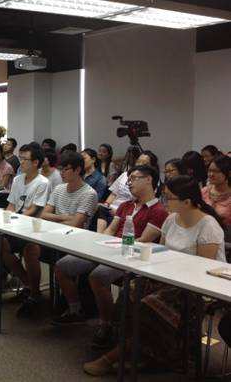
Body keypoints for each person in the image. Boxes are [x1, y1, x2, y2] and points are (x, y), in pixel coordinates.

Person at [84, 175, 225, 376]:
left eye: (169, 198)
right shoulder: (171, 219)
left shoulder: (207, 226)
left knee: (150, 306)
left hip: (195, 287)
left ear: (187, 202)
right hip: (168, 277)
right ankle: (138, 350)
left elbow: (202, 269)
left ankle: (118, 355)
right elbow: (163, 252)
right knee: (129, 292)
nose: (164, 202)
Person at [53, 165, 168, 346]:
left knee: (98, 276)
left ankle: (106, 324)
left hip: (131, 256)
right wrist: (101, 242)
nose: (130, 183)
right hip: (109, 249)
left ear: (149, 180)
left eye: (134, 178)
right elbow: (111, 229)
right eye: (129, 180)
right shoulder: (125, 205)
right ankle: (75, 309)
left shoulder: (158, 210)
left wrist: (114, 246)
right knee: (62, 266)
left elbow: (144, 240)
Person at [1, 144, 52, 317]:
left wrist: (14, 218)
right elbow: (11, 204)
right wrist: (6, 219)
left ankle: (35, 294)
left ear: (36, 162)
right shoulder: (17, 179)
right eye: (20, 158)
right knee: (0, 244)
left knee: (30, 249)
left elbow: (34, 210)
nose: (21, 162)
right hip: (16, 225)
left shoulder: (43, 183)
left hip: (33, 228)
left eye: (25, 159)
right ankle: (28, 284)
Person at [97, 150, 156, 233]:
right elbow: (114, 193)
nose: (140, 164)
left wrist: (118, 212)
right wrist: (107, 204)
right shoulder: (125, 175)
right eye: (138, 161)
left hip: (126, 213)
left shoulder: (149, 183)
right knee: (101, 208)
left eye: (144, 163)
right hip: (114, 208)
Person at [202, 155, 231, 227]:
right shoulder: (204, 192)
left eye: (216, 171)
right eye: (209, 170)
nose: (211, 174)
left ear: (229, 173)